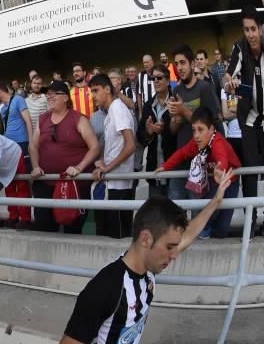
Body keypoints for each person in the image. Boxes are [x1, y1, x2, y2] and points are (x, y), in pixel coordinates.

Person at [52, 177, 233, 344]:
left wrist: (215, 201)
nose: (175, 254)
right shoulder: (106, 288)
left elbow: (186, 236)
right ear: (146, 239)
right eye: (170, 247)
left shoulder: (149, 270)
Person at [157, 107, 241, 238]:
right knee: (209, 210)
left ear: (212, 129)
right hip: (214, 180)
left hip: (230, 180)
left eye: (201, 130)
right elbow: (182, 153)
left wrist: (220, 169)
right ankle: (204, 233)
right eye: (194, 130)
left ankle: (212, 236)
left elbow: (222, 157)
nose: (196, 135)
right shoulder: (196, 143)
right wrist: (165, 166)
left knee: (223, 225)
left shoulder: (217, 141)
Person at [29, 81, 100, 233]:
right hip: (46, 184)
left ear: (66, 98)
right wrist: (35, 166)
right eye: (48, 94)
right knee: (43, 228)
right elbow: (33, 146)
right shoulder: (42, 119)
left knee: (72, 229)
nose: (50, 97)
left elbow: (94, 147)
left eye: (54, 94)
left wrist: (79, 167)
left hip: (74, 186)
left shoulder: (79, 119)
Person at [224, 6, 264, 236]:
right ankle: (251, 219)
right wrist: (229, 83)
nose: (250, 34)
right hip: (249, 121)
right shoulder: (240, 48)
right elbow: (227, 76)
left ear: (260, 28)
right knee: (249, 171)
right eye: (246, 29)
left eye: (253, 29)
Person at [168, 44, 222, 203]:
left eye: (183, 62)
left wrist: (184, 111)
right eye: (176, 64)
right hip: (181, 157)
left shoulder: (205, 88)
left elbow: (212, 124)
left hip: (201, 161)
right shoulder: (176, 91)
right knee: (175, 209)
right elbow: (173, 129)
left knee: (198, 210)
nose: (179, 68)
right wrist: (176, 119)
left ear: (192, 64)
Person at [90, 74, 137, 239]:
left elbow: (131, 145)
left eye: (96, 90)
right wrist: (101, 163)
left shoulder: (117, 108)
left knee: (117, 238)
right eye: (91, 91)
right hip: (112, 184)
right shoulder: (110, 112)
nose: (93, 95)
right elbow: (112, 147)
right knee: (108, 235)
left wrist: (107, 167)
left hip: (120, 184)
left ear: (108, 89)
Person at [138, 65, 176, 197]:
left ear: (168, 80)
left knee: (174, 214)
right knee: (155, 214)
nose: (156, 81)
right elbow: (140, 135)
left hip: (174, 169)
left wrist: (164, 130)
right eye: (153, 78)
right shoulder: (148, 105)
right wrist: (149, 132)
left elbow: (182, 133)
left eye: (159, 78)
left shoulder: (176, 101)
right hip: (154, 170)